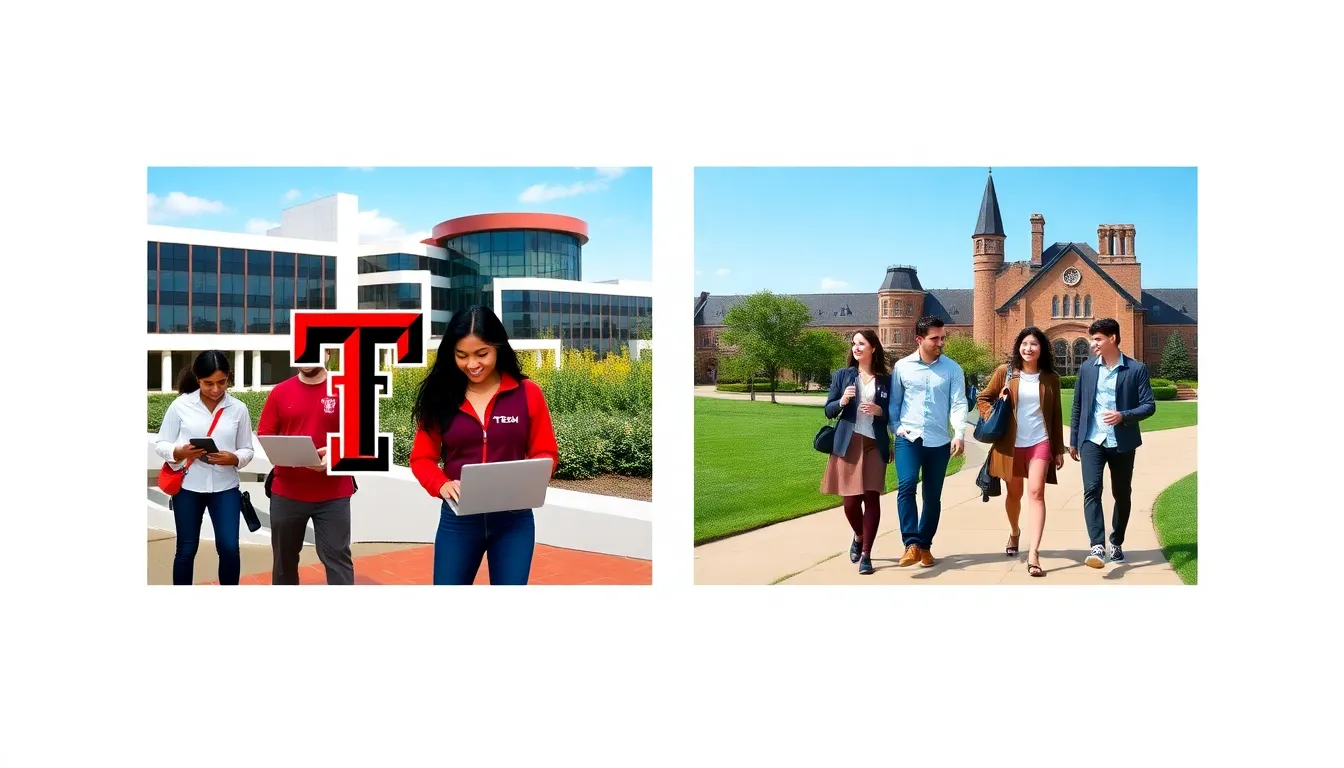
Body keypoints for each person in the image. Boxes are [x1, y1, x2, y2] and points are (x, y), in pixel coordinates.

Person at [408, 306, 560, 585]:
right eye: (461, 355)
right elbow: (421, 458)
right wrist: (441, 484)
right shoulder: (439, 398)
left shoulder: (528, 393)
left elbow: (545, 451)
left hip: (514, 521)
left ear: (498, 348)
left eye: (481, 354)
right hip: (459, 521)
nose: (472, 364)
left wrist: (533, 475)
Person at [153, 350, 256, 585]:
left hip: (226, 487)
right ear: (198, 379)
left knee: (229, 548)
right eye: (208, 383)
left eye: (222, 382)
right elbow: (161, 443)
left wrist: (234, 458)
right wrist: (179, 452)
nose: (216, 389)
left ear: (229, 377)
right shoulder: (180, 406)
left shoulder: (238, 409)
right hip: (188, 487)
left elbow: (248, 449)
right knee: (186, 549)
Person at [256, 361, 356, 585]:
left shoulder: (346, 389)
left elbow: (362, 436)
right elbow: (266, 432)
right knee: (284, 562)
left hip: (334, 494)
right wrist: (289, 453)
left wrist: (336, 452)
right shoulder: (280, 392)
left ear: (327, 352)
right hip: (287, 493)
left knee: (338, 559)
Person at [978, 327, 1066, 577]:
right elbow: (983, 398)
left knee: (1037, 493)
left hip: (1040, 442)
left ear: (1042, 349)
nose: (1029, 348)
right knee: (1014, 495)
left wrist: (1058, 449)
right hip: (1011, 444)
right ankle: (1014, 531)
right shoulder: (1005, 373)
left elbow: (1056, 414)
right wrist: (994, 410)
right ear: (1019, 347)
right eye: (1025, 344)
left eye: (1034, 344)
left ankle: (1034, 553)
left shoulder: (1051, 378)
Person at [1070, 318, 1156, 567]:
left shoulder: (1136, 369)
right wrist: (1074, 440)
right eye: (1092, 339)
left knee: (1122, 493)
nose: (1093, 343)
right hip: (1092, 440)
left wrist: (1123, 416)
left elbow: (1149, 405)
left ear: (1113, 339)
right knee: (1091, 490)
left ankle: (1116, 542)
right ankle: (1097, 546)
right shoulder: (1087, 369)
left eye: (1097, 339)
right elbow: (1078, 405)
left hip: (1122, 441)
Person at [889, 317, 968, 567]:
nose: (940, 342)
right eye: (935, 338)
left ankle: (925, 546)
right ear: (919, 339)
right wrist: (896, 428)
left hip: (939, 441)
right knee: (907, 484)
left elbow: (959, 403)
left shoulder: (953, 369)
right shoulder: (902, 367)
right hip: (908, 438)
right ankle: (911, 543)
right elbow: (894, 403)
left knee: (932, 498)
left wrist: (959, 433)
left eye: (943, 337)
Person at [820, 330, 893, 575]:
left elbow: (894, 413)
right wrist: (842, 401)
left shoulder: (886, 380)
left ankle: (866, 555)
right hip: (848, 443)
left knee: (871, 498)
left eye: (861, 343)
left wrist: (879, 411)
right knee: (851, 503)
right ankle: (859, 536)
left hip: (874, 444)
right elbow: (828, 410)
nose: (856, 347)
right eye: (854, 343)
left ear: (873, 348)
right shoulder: (843, 375)